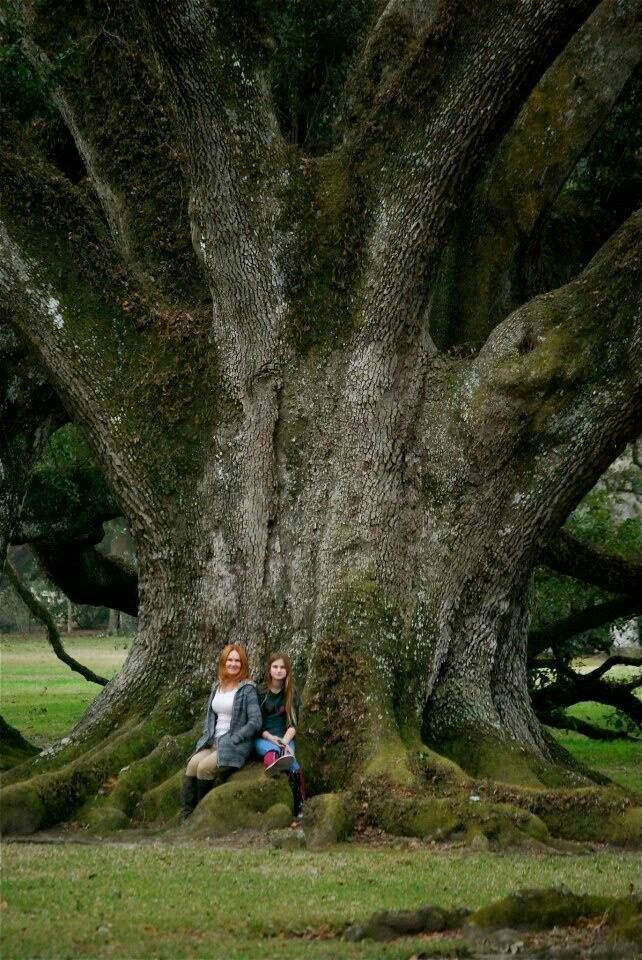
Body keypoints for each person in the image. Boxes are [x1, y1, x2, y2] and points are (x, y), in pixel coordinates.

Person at [180, 643, 261, 819]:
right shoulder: (217, 686)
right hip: (213, 742)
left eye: (237, 661)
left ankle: (202, 816)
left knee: (203, 769)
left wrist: (235, 738)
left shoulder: (247, 689)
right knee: (192, 765)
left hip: (234, 745)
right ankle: (187, 815)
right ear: (224, 662)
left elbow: (255, 722)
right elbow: (211, 717)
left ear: (243, 664)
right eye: (230, 660)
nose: (233, 664)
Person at [255, 652, 307, 818]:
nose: (278, 670)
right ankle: (271, 760)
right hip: (263, 738)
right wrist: (271, 738)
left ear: (287, 670)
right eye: (275, 667)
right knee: (272, 750)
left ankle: (301, 805)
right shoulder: (260, 692)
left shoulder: (291, 693)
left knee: (293, 763)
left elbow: (293, 725)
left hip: (285, 738)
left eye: (282, 667)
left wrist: (284, 741)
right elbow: (256, 725)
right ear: (269, 669)